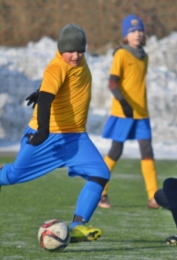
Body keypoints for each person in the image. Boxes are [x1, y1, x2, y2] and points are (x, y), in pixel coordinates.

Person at [0, 24, 110, 243]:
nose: (76, 55)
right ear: (61, 50)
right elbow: (47, 99)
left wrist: (42, 90)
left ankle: (78, 226)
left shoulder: (77, 60)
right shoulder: (57, 66)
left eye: (80, 50)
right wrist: (42, 131)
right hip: (47, 136)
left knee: (101, 173)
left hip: (76, 136)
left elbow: (61, 86)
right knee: (13, 176)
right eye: (71, 51)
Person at [98, 14, 159, 209]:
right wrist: (123, 102)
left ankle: (153, 197)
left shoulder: (145, 56)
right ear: (126, 34)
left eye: (140, 30)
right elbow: (112, 81)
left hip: (142, 113)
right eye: (133, 31)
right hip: (123, 111)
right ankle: (101, 193)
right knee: (116, 151)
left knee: (147, 151)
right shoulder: (121, 54)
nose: (137, 34)